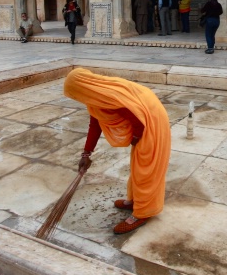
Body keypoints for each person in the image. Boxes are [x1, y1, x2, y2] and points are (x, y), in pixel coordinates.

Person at [64, 68, 171, 234]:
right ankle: (136, 201)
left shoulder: (109, 95)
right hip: (145, 116)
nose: (78, 99)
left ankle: (142, 213)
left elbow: (138, 123)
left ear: (83, 88)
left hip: (151, 121)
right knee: (138, 166)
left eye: (76, 95)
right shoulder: (96, 95)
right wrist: (86, 153)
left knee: (146, 169)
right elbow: (95, 124)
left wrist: (135, 137)